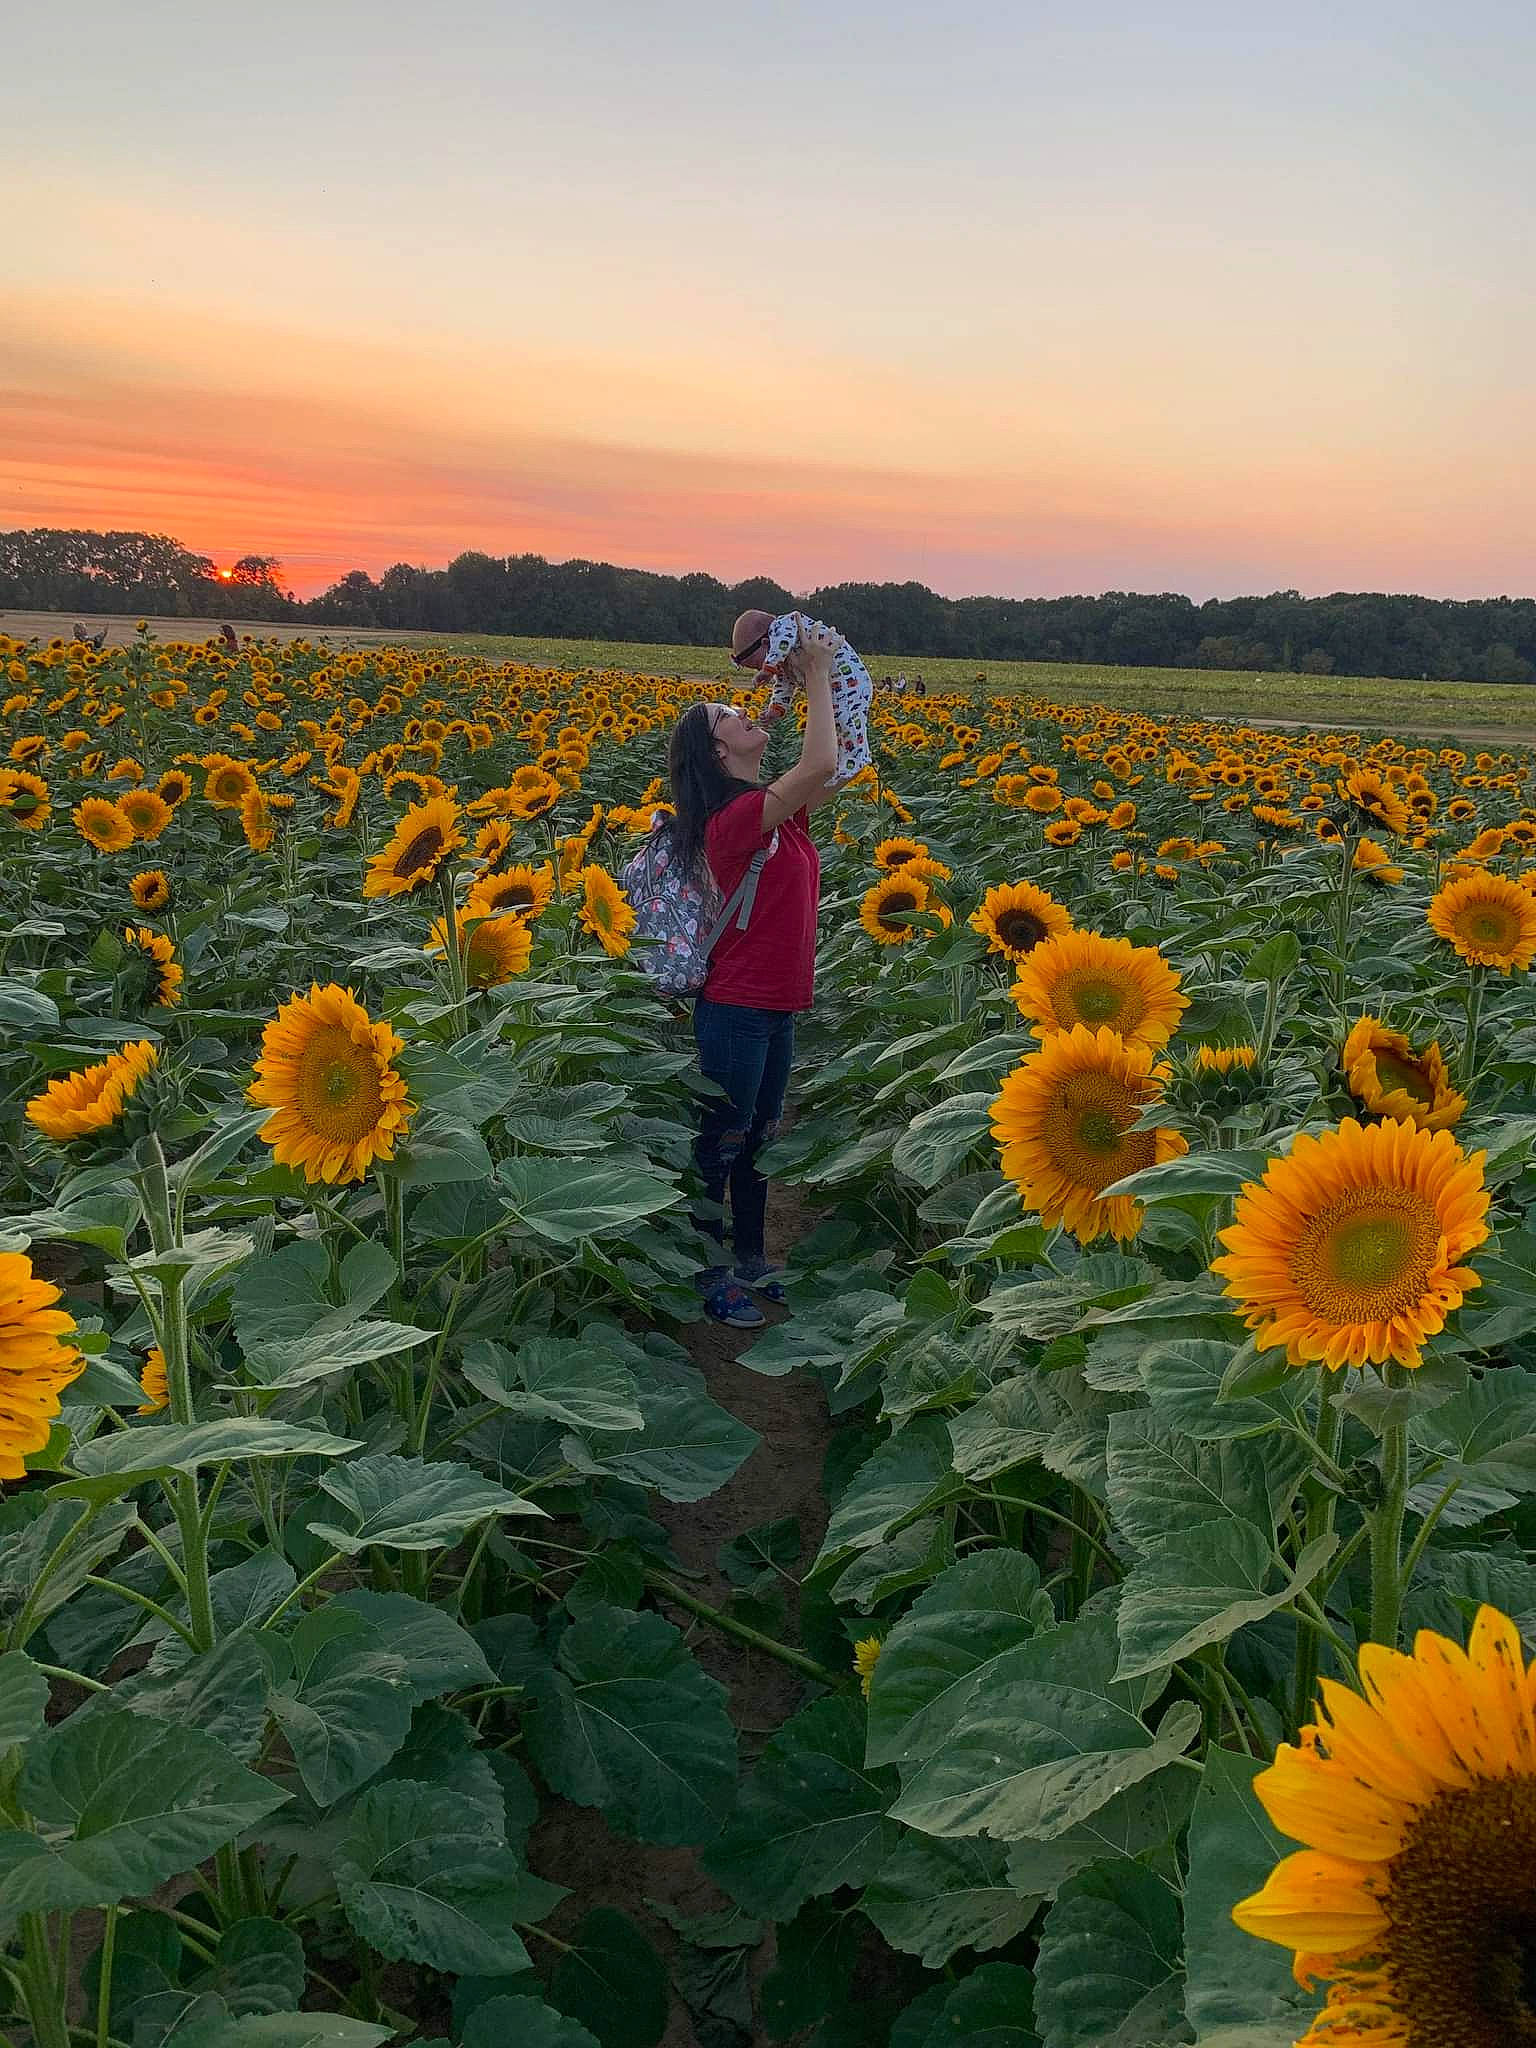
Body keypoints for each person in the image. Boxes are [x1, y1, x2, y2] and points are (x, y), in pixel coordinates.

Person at [663, 623, 841, 1328]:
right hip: (735, 1005)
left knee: (761, 1136)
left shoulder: (778, 819)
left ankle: (751, 1255)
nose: (743, 714)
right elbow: (818, 760)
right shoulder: (732, 822)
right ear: (716, 750)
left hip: (776, 1005)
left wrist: (800, 684)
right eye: (729, 718)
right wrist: (820, 674)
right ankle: (708, 1270)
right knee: (724, 1138)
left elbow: (830, 768)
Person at [730, 609, 872, 786]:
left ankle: (855, 761)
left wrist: (768, 667)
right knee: (835, 724)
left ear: (766, 643)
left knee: (845, 718)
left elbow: (783, 641)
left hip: (850, 681)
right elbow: (783, 684)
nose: (759, 669)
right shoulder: (786, 658)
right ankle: (844, 762)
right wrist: (775, 709)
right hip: (831, 685)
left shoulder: (785, 624)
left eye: (756, 664)